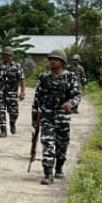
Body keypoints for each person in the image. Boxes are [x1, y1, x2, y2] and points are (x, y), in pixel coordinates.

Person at [33, 49, 82, 185]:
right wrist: (35, 116)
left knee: (62, 145)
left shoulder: (70, 77)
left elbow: (77, 95)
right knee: (47, 143)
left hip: (63, 117)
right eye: (50, 59)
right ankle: (48, 173)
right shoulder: (44, 77)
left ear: (62, 62)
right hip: (47, 115)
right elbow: (37, 98)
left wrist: (70, 103)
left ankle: (59, 167)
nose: (52, 61)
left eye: (55, 59)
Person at [0, 46, 26, 138]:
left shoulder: (17, 66)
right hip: (0, 93)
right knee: (0, 111)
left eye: (8, 55)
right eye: (4, 55)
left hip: (12, 94)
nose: (6, 57)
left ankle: (12, 123)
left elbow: (22, 79)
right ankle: (3, 130)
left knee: (14, 113)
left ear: (12, 56)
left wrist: (22, 92)